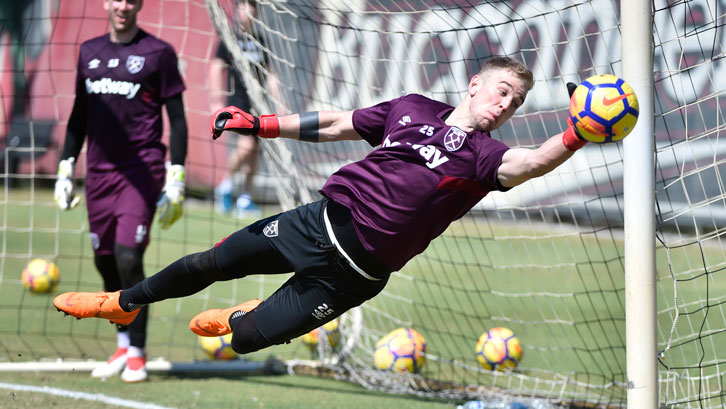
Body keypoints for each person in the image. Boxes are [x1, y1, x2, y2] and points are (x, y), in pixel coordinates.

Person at [54, 56, 589, 358]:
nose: (504, 106)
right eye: (500, 92)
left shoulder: (485, 158)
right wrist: (260, 124)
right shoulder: (411, 108)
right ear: (474, 85)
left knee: (242, 341)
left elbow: (533, 162)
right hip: (316, 225)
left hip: (355, 277)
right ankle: (124, 301)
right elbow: (335, 123)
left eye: (514, 103)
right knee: (208, 263)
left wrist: (576, 133)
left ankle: (247, 317)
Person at [53, 0, 188, 383]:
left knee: (130, 257)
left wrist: (175, 178)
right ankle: (123, 342)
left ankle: (139, 353)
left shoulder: (158, 53)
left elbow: (177, 121)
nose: (123, 6)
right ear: (105, 3)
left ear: (140, 4)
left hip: (140, 171)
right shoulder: (89, 51)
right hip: (98, 174)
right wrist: (65, 170)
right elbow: (79, 116)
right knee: (105, 262)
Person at [210, 0, 282, 218]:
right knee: (247, 143)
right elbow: (215, 68)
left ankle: (245, 198)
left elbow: (270, 75)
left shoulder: (261, 41)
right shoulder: (230, 39)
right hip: (237, 99)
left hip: (258, 101)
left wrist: (279, 103)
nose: (247, 11)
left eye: (251, 7)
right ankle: (225, 185)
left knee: (256, 150)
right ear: (237, 10)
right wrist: (216, 99)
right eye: (243, 6)